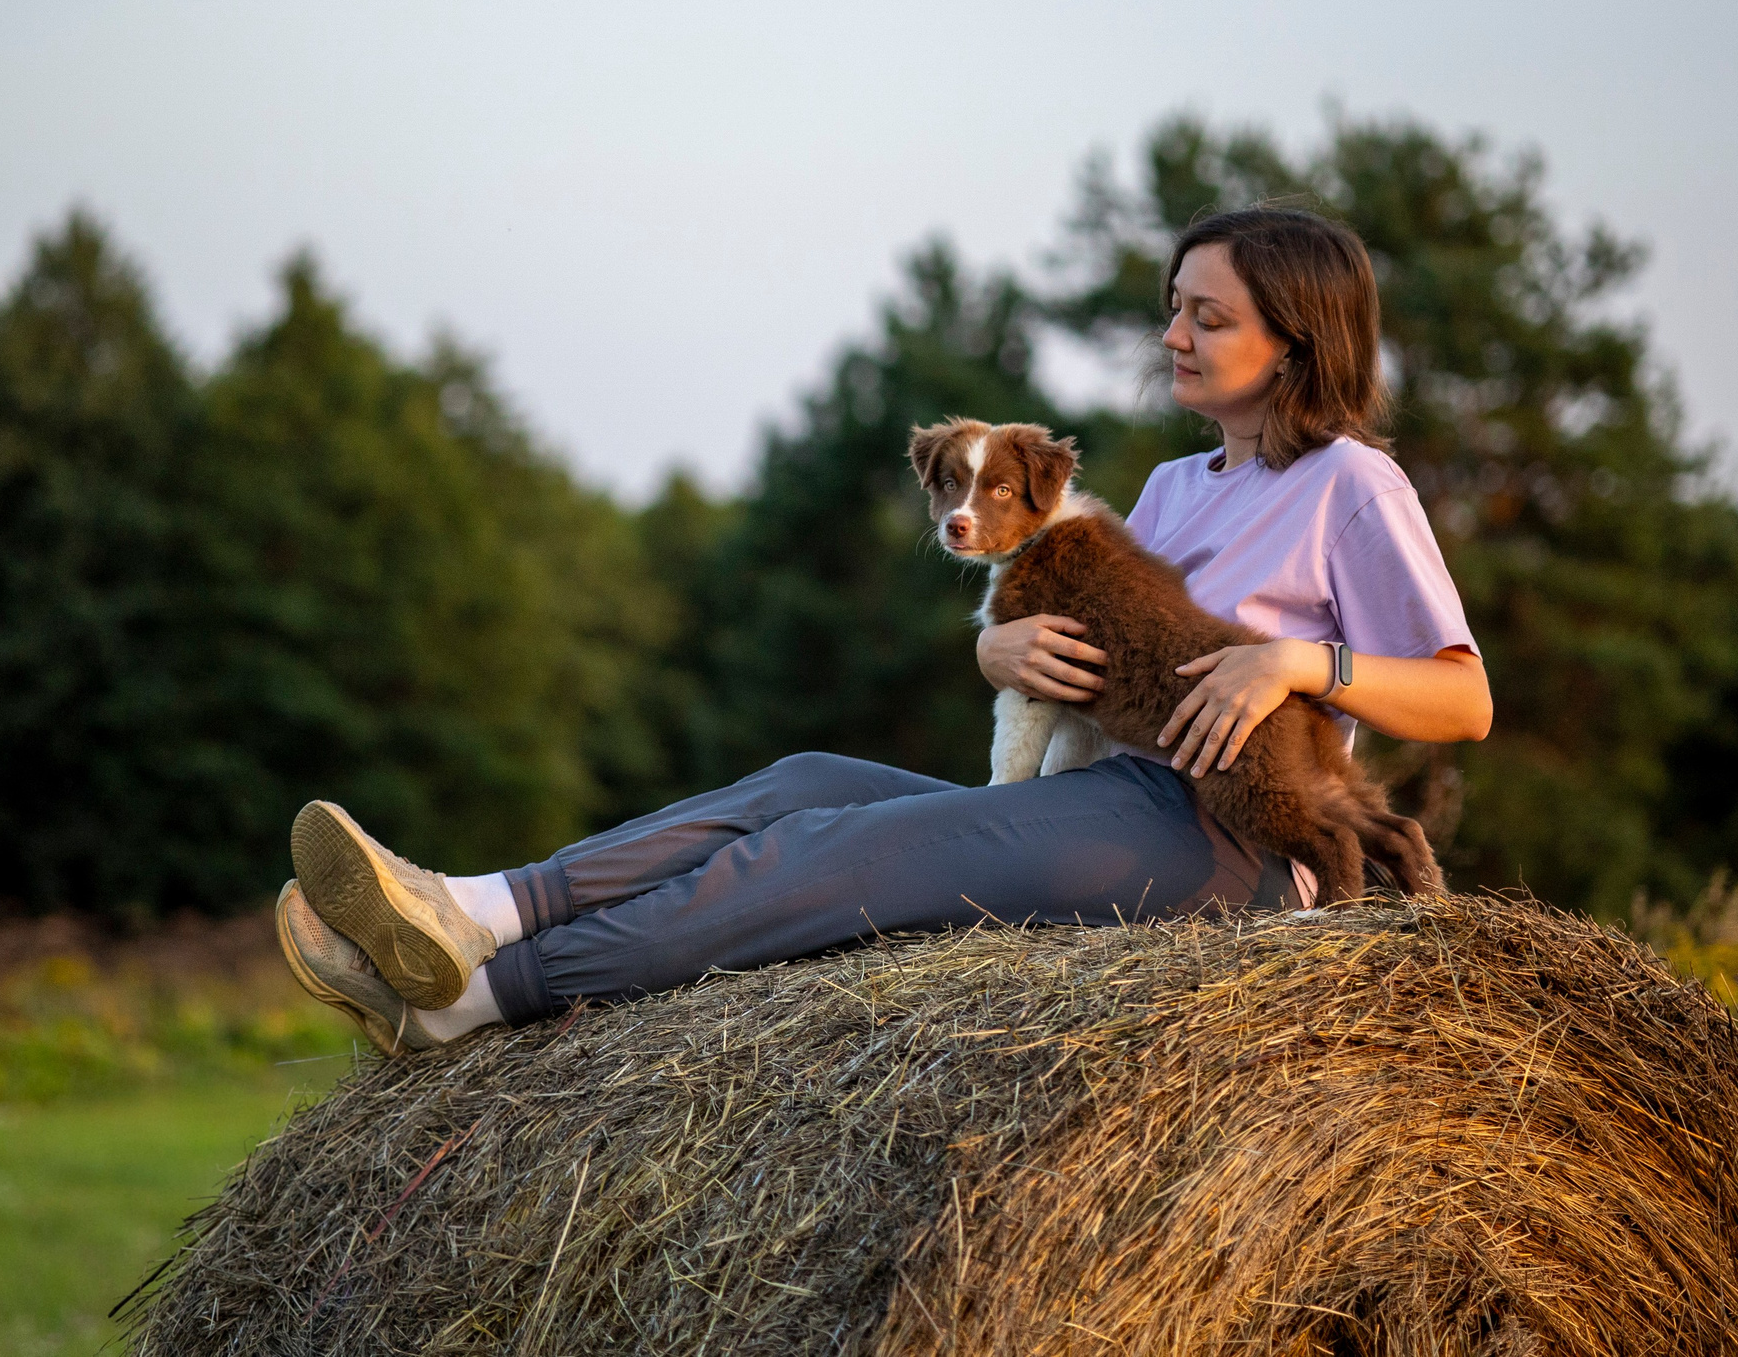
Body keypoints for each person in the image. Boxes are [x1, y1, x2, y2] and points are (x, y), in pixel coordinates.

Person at [274, 207, 1492, 1056]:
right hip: (1099, 794)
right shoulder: (1170, 490)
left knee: (827, 859)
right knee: (802, 783)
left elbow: (1461, 698)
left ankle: (470, 1005)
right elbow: (1072, 640)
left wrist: (1299, 661)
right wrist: (994, 653)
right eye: (1172, 309)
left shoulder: (1352, 486)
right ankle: (482, 907)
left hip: (1223, 833)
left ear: (1296, 336)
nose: (1172, 334)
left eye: (1207, 318)